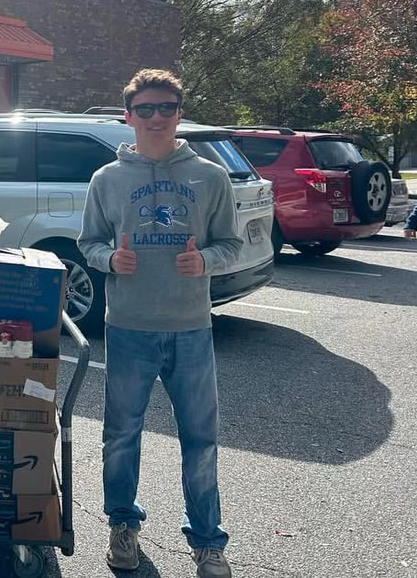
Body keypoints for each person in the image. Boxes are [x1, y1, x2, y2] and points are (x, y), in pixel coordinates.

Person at [78, 69, 243, 578]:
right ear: (128, 116)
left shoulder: (210, 176)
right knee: (121, 436)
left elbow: (231, 244)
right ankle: (122, 528)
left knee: (200, 439)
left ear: (178, 114)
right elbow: (88, 243)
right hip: (128, 327)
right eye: (145, 109)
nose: (155, 117)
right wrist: (109, 260)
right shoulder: (106, 180)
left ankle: (208, 543)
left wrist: (206, 262)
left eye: (165, 108)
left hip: (191, 328)